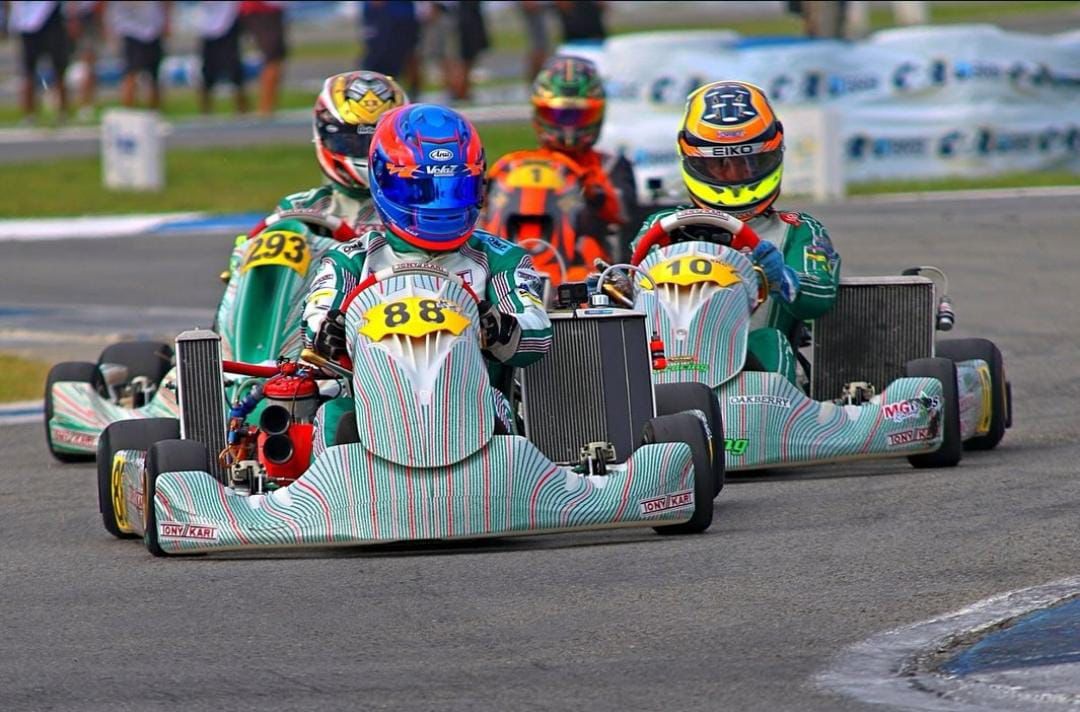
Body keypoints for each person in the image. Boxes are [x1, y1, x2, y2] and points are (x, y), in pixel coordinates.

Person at [303, 103, 552, 428]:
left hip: (473, 412)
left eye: (453, 190)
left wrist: (497, 327)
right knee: (334, 418)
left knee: (496, 406)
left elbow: (537, 331)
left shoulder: (499, 258)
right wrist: (329, 333)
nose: (439, 207)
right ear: (383, 181)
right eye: (421, 191)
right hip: (376, 417)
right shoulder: (351, 260)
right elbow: (313, 328)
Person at [632, 80, 841, 386]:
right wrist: (617, 285)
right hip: (664, 367)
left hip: (756, 376)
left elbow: (819, 298)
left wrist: (781, 278)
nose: (733, 176)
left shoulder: (796, 229)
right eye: (719, 165)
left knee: (770, 340)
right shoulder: (663, 226)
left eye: (748, 163)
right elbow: (631, 290)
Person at [244, 70, 408, 240]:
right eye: (352, 140)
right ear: (324, 136)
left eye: (378, 142)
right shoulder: (302, 207)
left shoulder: (420, 208)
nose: (368, 150)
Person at [518, 55, 634, 233]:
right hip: (527, 248)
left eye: (578, 115)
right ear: (539, 114)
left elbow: (625, 215)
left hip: (587, 254)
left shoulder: (611, 166)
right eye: (558, 115)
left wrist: (592, 191)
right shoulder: (516, 167)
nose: (568, 126)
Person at [6, 0, 70, 124]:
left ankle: (62, 112)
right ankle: (29, 114)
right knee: (28, 71)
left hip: (50, 15)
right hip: (26, 23)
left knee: (60, 69)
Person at [108, 0, 171, 110]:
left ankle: (155, 112)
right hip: (130, 29)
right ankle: (128, 111)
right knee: (130, 73)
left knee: (154, 74)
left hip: (153, 28)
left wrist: (166, 20)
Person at [196, 0, 248, 114]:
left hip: (228, 21)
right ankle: (206, 112)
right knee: (207, 72)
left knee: (234, 69)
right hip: (207, 26)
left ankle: (242, 110)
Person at [239, 0, 287, 118]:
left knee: (276, 58)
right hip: (261, 9)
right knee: (272, 58)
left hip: (269, 10)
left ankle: (267, 107)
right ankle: (265, 108)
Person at [66, 0, 103, 121]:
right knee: (86, 65)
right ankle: (84, 104)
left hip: (89, 15)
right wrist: (73, 17)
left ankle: (88, 103)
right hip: (82, 16)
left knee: (90, 65)